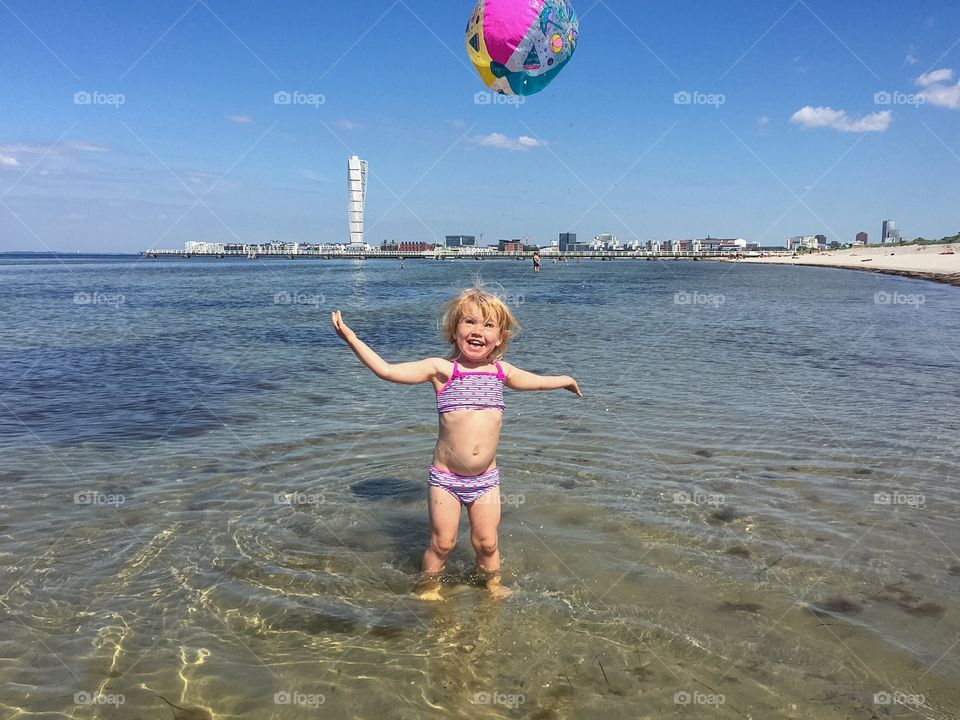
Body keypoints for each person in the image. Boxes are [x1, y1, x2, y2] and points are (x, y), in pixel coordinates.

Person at [331, 288, 582, 600]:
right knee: (443, 543)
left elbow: (537, 381)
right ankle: (429, 589)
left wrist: (566, 380)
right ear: (454, 331)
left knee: (487, 542)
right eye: (469, 322)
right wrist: (351, 339)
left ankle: (492, 587)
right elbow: (387, 371)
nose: (478, 331)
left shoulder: (502, 373)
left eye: (488, 325)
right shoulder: (442, 370)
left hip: (486, 481)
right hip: (446, 480)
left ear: (500, 337)